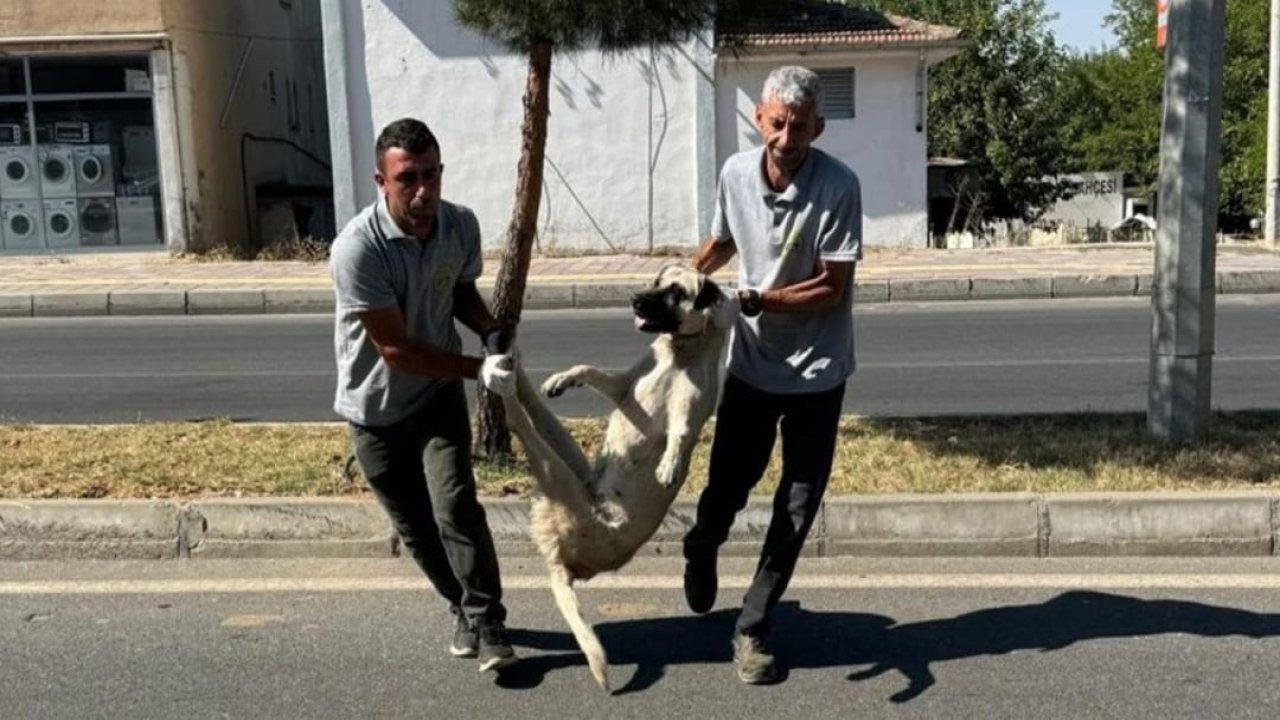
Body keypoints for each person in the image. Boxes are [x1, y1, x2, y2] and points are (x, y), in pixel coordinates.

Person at [682, 66, 862, 684]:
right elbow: (722, 243)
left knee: (797, 505)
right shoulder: (735, 174)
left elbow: (832, 288)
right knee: (728, 485)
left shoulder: (839, 185)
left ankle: (753, 627)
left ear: (818, 128)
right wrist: (681, 283)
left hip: (818, 371)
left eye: (800, 127)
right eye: (778, 124)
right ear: (759, 119)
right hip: (753, 367)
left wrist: (759, 300)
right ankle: (702, 543)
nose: (787, 139)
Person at [329, 118, 518, 673]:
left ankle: (488, 621)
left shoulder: (459, 225)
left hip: (436, 396)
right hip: (374, 410)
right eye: (407, 178)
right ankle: (461, 607)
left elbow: (459, 290)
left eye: (431, 175)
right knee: (415, 527)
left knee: (456, 506)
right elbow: (395, 349)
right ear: (381, 182)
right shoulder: (358, 249)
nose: (422, 191)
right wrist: (477, 368)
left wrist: (490, 331)